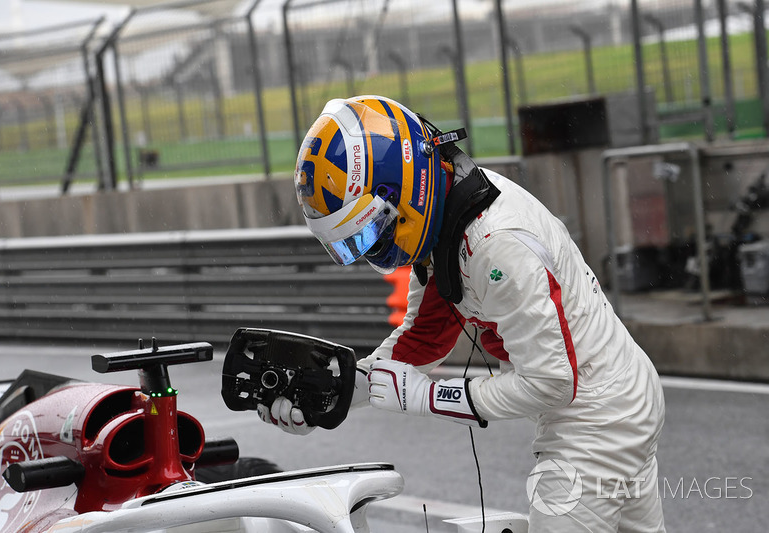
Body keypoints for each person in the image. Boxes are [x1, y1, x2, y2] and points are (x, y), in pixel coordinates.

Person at [257, 95, 666, 532]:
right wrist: (329, 397)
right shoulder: (447, 214)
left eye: (371, 230)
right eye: (353, 244)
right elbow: (421, 340)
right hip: (613, 398)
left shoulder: (495, 243)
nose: (372, 250)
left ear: (402, 187)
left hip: (598, 416)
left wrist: (428, 397)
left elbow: (552, 382)